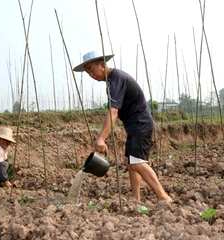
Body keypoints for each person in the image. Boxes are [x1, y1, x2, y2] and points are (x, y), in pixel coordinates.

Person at [73, 51, 173, 205]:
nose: (91, 75)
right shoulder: (112, 81)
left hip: (140, 124)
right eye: (88, 72)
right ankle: (136, 200)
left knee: (137, 162)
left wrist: (101, 138)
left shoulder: (116, 80)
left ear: (102, 65)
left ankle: (164, 197)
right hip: (134, 125)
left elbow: (113, 112)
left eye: (92, 70)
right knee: (132, 162)